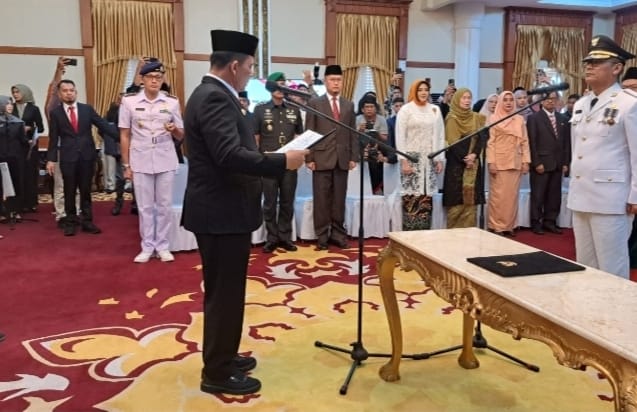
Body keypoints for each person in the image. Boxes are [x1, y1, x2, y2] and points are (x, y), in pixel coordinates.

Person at [182, 29, 307, 396]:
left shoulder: (213, 94)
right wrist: (282, 161)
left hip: (222, 210)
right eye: (250, 67)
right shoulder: (214, 97)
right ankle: (217, 372)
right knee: (224, 295)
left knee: (227, 292)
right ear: (234, 66)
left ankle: (223, 355)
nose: (252, 74)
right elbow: (228, 155)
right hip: (220, 212)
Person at [568, 35, 637, 279]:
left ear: (616, 68)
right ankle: (587, 305)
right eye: (588, 62)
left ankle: (616, 306)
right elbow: (578, 149)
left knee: (611, 267)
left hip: (612, 198)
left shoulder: (629, 104)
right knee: (585, 265)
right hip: (581, 194)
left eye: (597, 63)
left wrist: (635, 195)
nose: (589, 67)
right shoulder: (581, 104)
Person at [119, 61, 184, 263]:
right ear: (142, 79)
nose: (154, 81)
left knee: (164, 205)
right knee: (145, 207)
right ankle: (147, 246)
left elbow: (181, 133)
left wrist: (174, 129)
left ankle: (163, 246)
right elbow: (124, 135)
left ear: (162, 80)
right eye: (150, 77)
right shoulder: (129, 102)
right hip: (140, 158)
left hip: (165, 157)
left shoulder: (172, 102)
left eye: (158, 77)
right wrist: (126, 165)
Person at [45, 80, 118, 236]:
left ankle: (87, 221)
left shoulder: (86, 109)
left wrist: (122, 138)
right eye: (65, 90)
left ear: (75, 92)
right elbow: (53, 138)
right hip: (67, 157)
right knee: (69, 190)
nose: (69, 93)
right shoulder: (56, 113)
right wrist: (51, 159)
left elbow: (103, 125)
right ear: (60, 94)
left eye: (71, 90)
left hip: (87, 156)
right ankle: (70, 222)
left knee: (85, 191)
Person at [305, 64, 357, 250]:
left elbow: (352, 133)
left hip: (342, 158)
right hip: (321, 158)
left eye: (339, 80)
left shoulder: (348, 105)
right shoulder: (315, 103)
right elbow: (309, 131)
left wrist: (353, 156)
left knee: (339, 200)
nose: (336, 83)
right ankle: (322, 235)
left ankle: (338, 234)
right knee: (321, 199)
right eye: (332, 80)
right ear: (325, 81)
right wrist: (309, 158)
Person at [253, 71, 303, 253]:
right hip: (268, 163)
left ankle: (285, 237)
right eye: (277, 85)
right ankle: (271, 237)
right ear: (270, 88)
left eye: (283, 84)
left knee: (287, 201)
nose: (281, 88)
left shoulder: (294, 110)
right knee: (269, 202)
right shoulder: (260, 110)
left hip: (289, 163)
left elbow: (299, 136)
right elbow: (256, 138)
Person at [395, 79, 445, 230]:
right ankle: (409, 236)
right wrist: (403, 160)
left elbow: (439, 135)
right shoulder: (406, 110)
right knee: (411, 198)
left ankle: (425, 236)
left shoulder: (435, 109)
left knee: (426, 199)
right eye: (420, 90)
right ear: (414, 91)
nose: (423, 93)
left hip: (429, 160)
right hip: (411, 158)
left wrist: (439, 159)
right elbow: (400, 136)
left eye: (426, 90)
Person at [486, 91, 530, 236]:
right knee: (498, 197)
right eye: (505, 100)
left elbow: (525, 142)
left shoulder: (519, 119)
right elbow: (490, 143)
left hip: (515, 161)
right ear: (500, 102)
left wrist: (526, 161)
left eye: (511, 100)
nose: (509, 102)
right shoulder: (493, 118)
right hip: (499, 162)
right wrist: (491, 162)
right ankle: (496, 226)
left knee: (512, 196)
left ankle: (509, 225)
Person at [527, 91, 571, 235]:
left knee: (554, 196)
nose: (551, 101)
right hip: (541, 163)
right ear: (541, 101)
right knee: (538, 195)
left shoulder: (563, 119)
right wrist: (536, 163)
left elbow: (566, 143)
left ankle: (550, 221)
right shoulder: (534, 118)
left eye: (553, 99)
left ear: (557, 101)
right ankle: (536, 222)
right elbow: (532, 142)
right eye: (547, 99)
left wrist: (565, 162)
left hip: (558, 163)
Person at [442, 88, 486, 228]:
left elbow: (482, 138)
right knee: (457, 200)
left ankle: (470, 232)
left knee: (471, 201)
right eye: (464, 98)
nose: (467, 101)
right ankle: (454, 234)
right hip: (457, 165)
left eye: (469, 98)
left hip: (473, 164)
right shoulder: (452, 118)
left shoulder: (476, 117)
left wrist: (474, 155)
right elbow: (453, 143)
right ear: (457, 100)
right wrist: (466, 159)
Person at [11, 84, 44, 214]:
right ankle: (18, 204)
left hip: (30, 146)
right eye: (14, 92)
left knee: (30, 173)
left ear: (25, 92)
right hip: (15, 146)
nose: (15, 94)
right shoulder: (10, 107)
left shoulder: (33, 109)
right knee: (17, 174)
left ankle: (31, 203)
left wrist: (30, 128)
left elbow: (41, 128)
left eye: (17, 92)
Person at [0, 95, 27, 224]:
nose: (10, 106)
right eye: (7, 103)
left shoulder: (18, 122)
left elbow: (23, 141)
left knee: (16, 184)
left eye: (11, 104)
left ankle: (15, 211)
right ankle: (2, 212)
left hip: (15, 158)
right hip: (0, 157)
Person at [356, 94, 388, 194]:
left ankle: (377, 188)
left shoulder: (381, 119)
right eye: (367, 107)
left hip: (378, 149)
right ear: (362, 109)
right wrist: (360, 130)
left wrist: (376, 132)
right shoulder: (357, 119)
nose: (369, 109)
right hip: (361, 149)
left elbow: (385, 139)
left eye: (371, 107)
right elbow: (352, 138)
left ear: (376, 108)